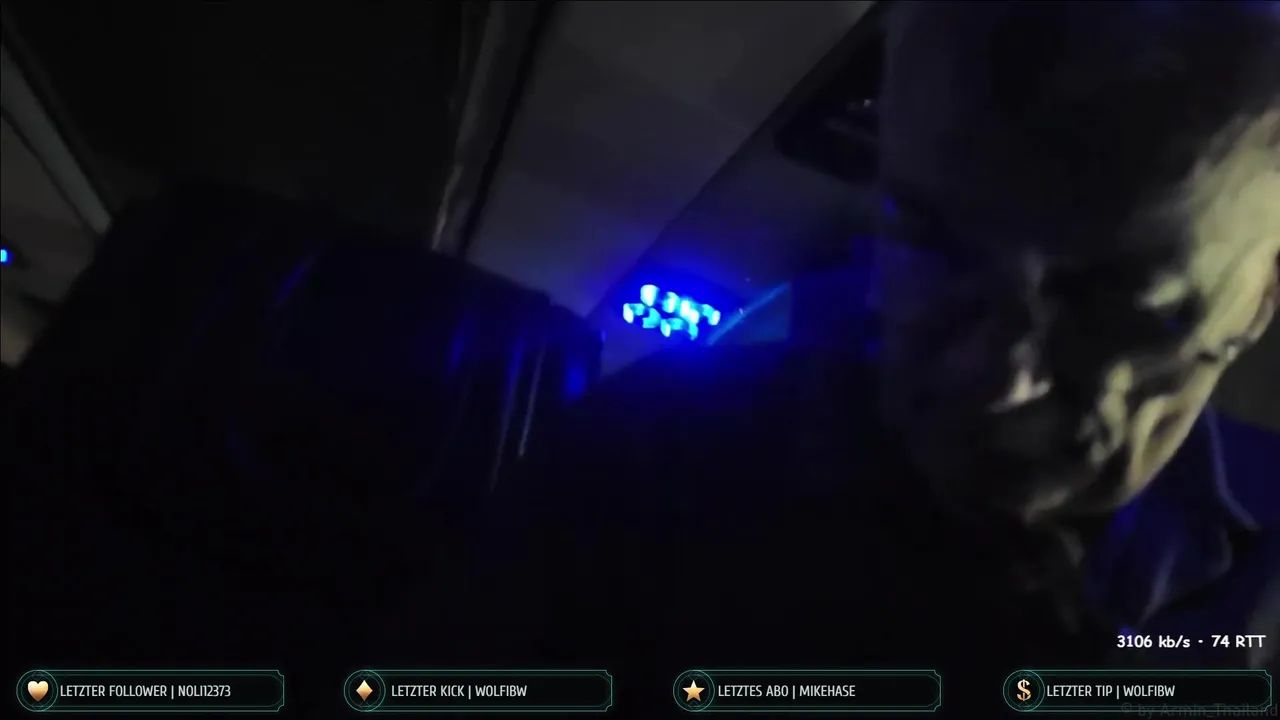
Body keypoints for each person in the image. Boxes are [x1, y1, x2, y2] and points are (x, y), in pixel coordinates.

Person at [442, 0, 1280, 712]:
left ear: (1263, 298)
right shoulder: (642, 462)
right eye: (932, 243)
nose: (995, 381)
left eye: (1119, 307)